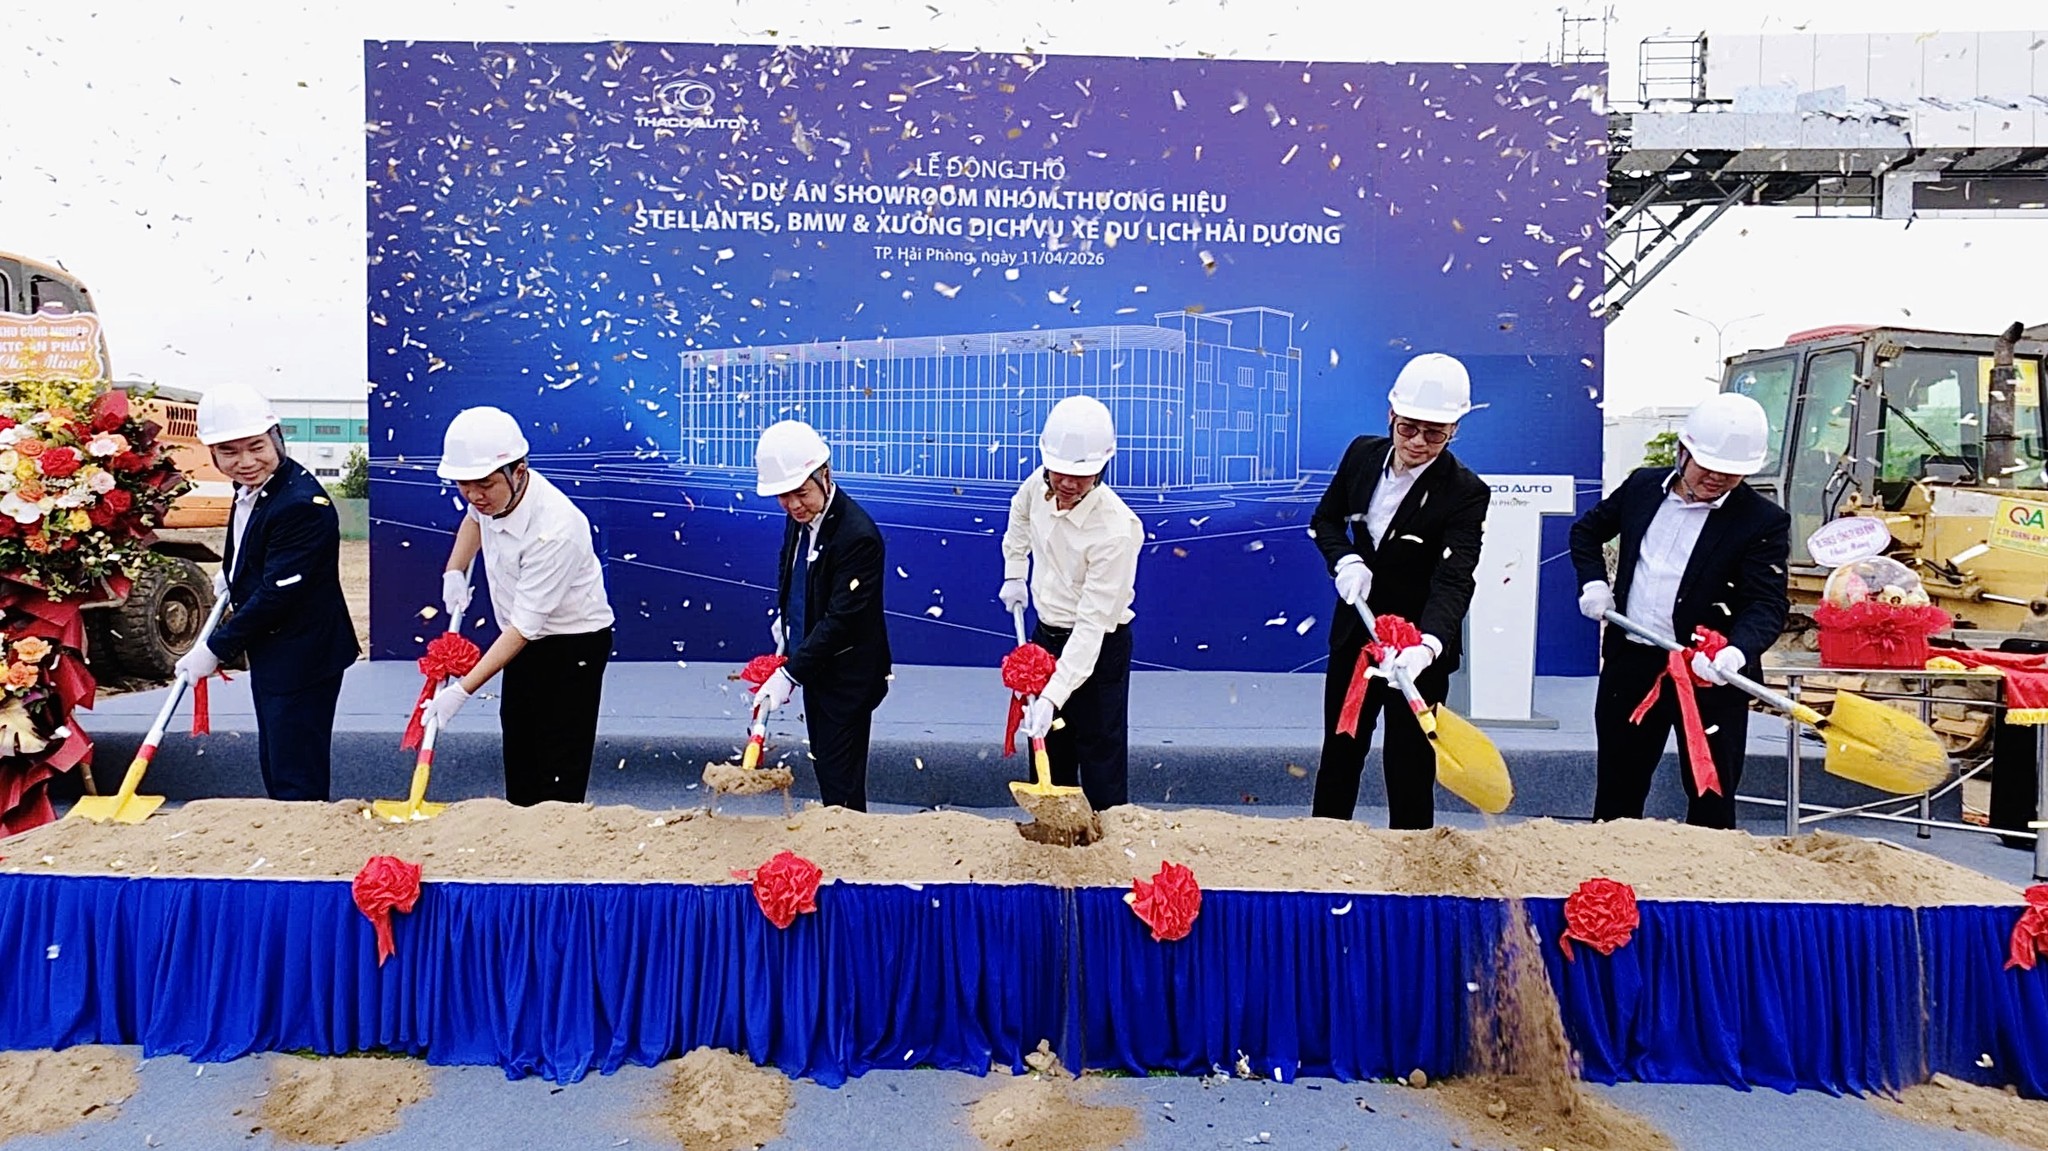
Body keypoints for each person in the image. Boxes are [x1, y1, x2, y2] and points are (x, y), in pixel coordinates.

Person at [1570, 392, 1791, 828]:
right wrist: (1593, 582)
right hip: (1633, 662)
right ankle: (1610, 867)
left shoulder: (1762, 520)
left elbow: (1766, 602)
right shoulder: (1641, 487)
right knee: (1618, 788)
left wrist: (1736, 652)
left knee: (1712, 794)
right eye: (1707, 466)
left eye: (1731, 473)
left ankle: (1708, 870)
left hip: (1710, 673)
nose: (1717, 479)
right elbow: (1586, 532)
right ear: (1683, 450)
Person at [1309, 353, 1492, 828]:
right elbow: (1326, 519)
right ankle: (1325, 846)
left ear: (1455, 430)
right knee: (1341, 749)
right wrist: (1345, 559)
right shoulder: (1362, 454)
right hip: (1358, 633)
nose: (1418, 443)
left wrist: (1427, 645)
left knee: (1410, 762)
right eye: (1409, 428)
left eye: (1435, 433)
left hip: (1417, 645)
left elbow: (1454, 577)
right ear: (1391, 414)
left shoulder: (1465, 491)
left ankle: (1413, 858)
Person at [173, 384, 358, 801]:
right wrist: (233, 575)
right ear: (212, 454)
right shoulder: (254, 488)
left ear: (276, 437)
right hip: (275, 649)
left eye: (256, 447)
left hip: (303, 653)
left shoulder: (300, 504)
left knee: (295, 770)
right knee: (275, 757)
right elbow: (251, 543)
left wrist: (216, 648)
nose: (245, 462)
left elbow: (278, 594)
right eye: (229, 452)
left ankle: (305, 833)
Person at [423, 406, 614, 806]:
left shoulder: (556, 530)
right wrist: (454, 570)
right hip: (520, 639)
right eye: (464, 485)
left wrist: (461, 690)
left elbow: (525, 628)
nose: (475, 495)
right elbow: (474, 520)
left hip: (571, 644)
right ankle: (520, 820)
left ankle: (558, 829)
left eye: (485, 484)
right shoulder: (489, 499)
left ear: (519, 471)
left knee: (558, 755)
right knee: (521, 739)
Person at [1000, 395, 1143, 813]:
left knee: (1099, 753)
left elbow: (1091, 627)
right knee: (1047, 748)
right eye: (1060, 471)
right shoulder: (1038, 484)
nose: (1067, 483)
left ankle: (1106, 839)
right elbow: (1020, 515)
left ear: (1102, 467)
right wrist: (1014, 570)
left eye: (1081, 475)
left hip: (1097, 647)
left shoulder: (1116, 531)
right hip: (1045, 636)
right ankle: (1050, 832)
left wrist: (1053, 696)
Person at [749, 420, 891, 810]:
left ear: (825, 474)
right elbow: (792, 568)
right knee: (827, 767)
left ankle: (848, 841)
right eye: (783, 496)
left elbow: (842, 621)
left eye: (801, 493)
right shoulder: (799, 518)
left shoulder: (858, 536)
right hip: (814, 660)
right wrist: (788, 622)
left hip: (847, 675)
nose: (794, 505)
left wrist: (790, 673)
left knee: (840, 780)